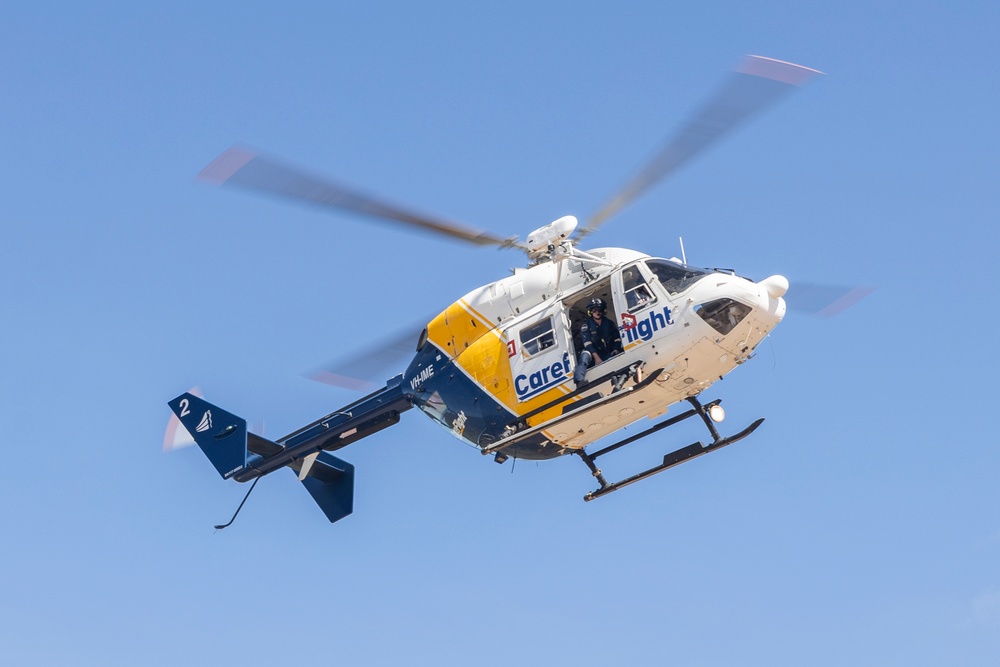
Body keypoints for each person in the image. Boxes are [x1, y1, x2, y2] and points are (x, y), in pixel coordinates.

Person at [574, 298, 623, 385]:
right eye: (594, 310)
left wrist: (616, 349)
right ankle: (579, 381)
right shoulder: (586, 326)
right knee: (585, 356)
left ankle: (615, 376)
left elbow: (617, 339)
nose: (597, 312)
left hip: (607, 353)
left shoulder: (609, 323)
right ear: (591, 312)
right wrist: (596, 358)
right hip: (593, 355)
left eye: (599, 309)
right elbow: (587, 344)